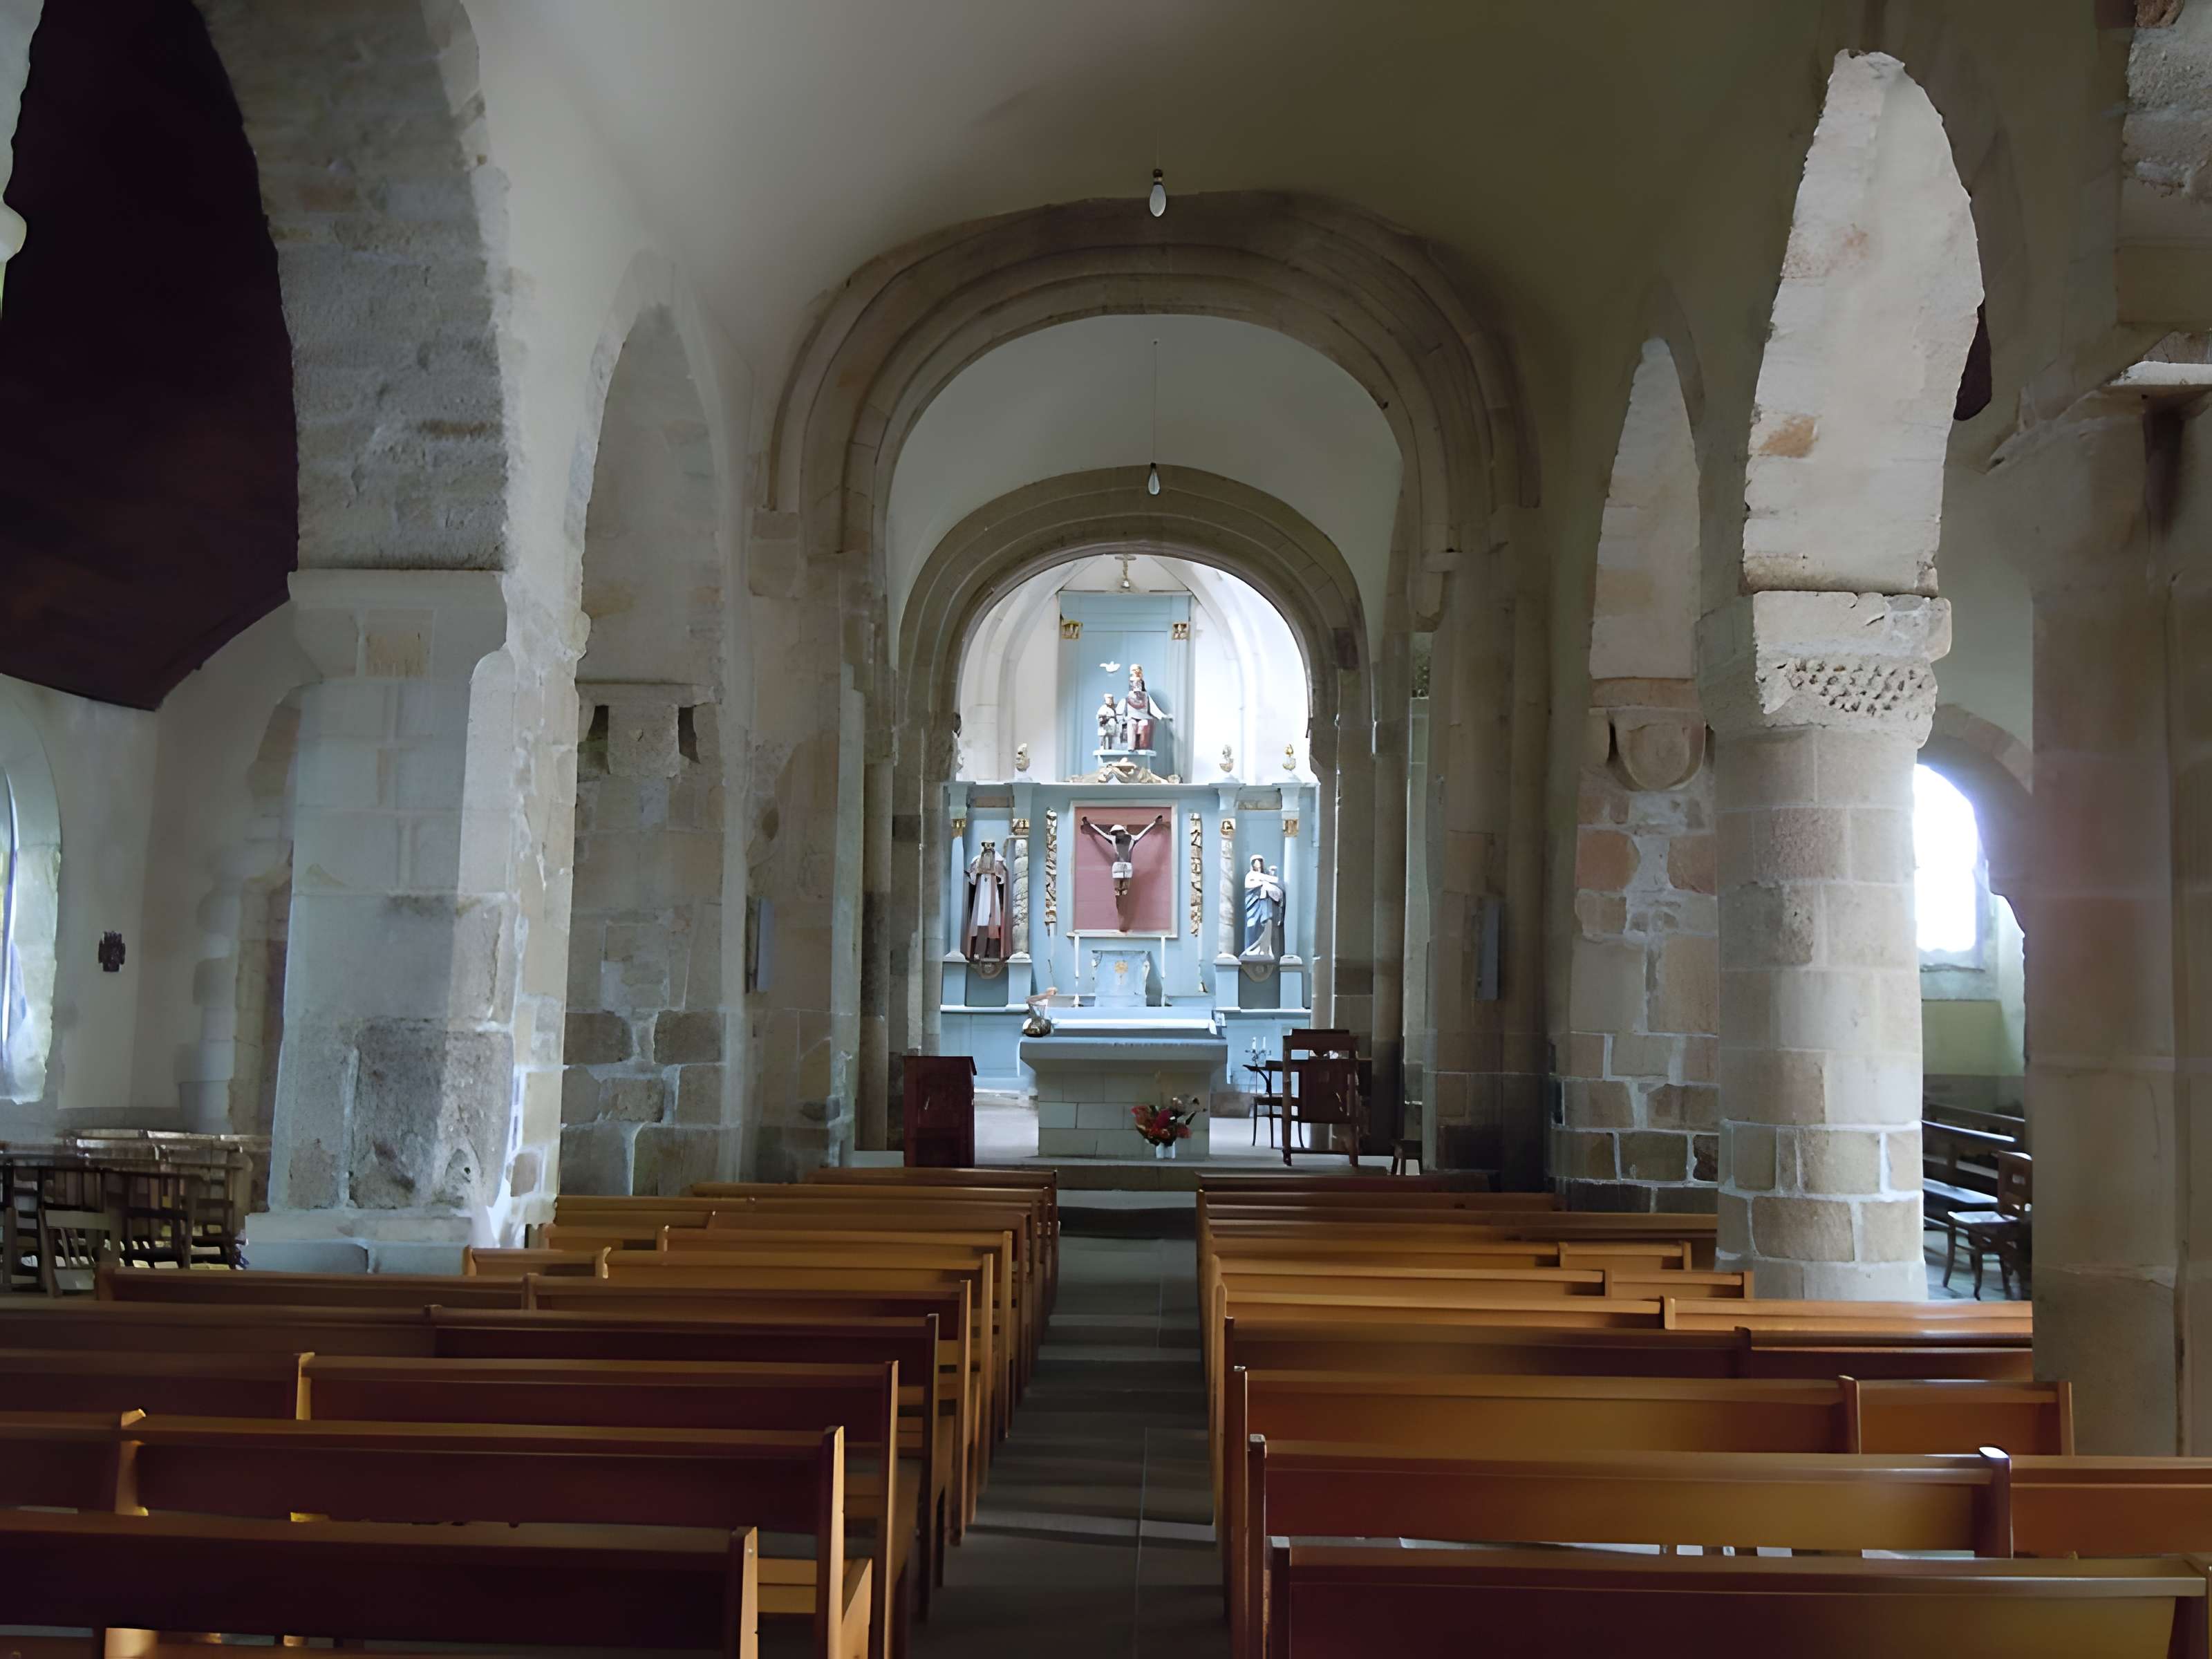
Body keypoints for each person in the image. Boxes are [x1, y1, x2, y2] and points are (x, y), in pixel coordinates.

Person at [1083, 813, 1165, 928]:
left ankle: (1123, 914)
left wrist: (1155, 823)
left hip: (1127, 867)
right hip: (1118, 867)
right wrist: (1089, 824)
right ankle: (1120, 911)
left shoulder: (1133, 839)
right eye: (1116, 833)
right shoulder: (1113, 839)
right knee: (1118, 892)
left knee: (1124, 892)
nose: (1118, 835)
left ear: (1123, 831)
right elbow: (1100, 834)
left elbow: (1146, 831)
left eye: (1118, 833)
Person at [964, 839, 1009, 962]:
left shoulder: (998, 861)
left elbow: (1003, 877)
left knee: (993, 920)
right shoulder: (977, 860)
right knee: (981, 919)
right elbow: (972, 878)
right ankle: (979, 952)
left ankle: (993, 953)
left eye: (991, 846)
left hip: (992, 888)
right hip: (981, 890)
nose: (988, 848)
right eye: (986, 845)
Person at [1242, 854, 1286, 957]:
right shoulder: (1251, 875)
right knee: (1253, 926)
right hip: (1253, 907)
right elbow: (1272, 881)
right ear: (1252, 864)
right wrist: (1268, 880)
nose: (1258, 864)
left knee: (1268, 923)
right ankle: (1252, 950)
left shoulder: (1264, 879)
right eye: (1256, 862)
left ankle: (1265, 949)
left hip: (1264, 905)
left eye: (1260, 861)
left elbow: (1275, 886)